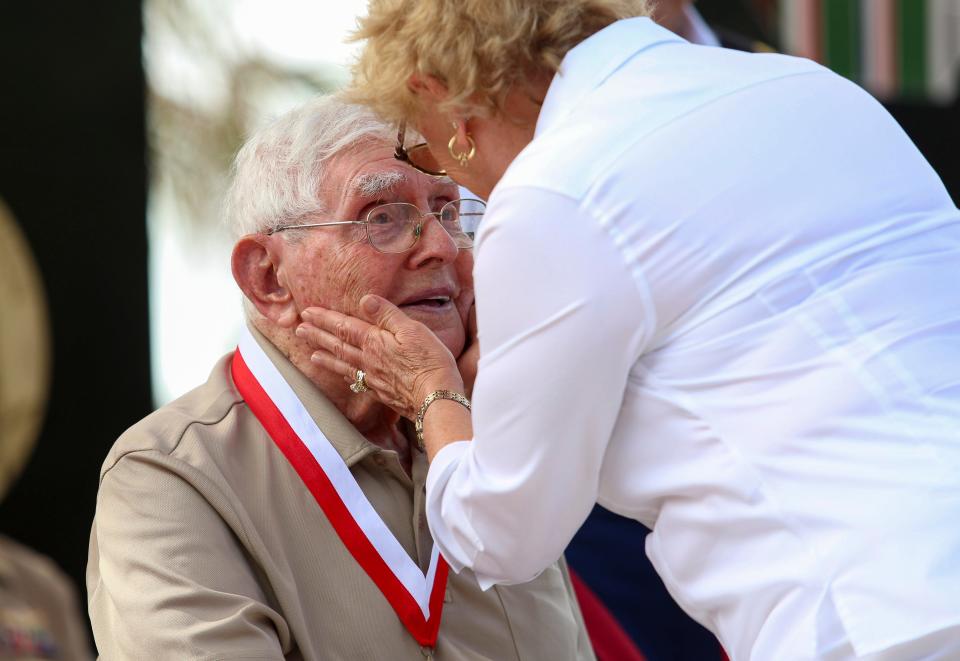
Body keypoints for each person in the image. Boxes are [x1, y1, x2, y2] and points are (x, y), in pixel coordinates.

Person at [296, 1, 960, 659]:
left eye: (423, 148)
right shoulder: (814, 88)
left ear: (435, 94)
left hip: (876, 615)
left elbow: (502, 531)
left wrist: (428, 390)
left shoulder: (555, 192)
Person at [86, 96, 594, 660]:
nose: (443, 246)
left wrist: (460, 404)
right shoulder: (172, 477)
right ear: (269, 278)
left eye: (450, 212)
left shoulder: (485, 439)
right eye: (382, 217)